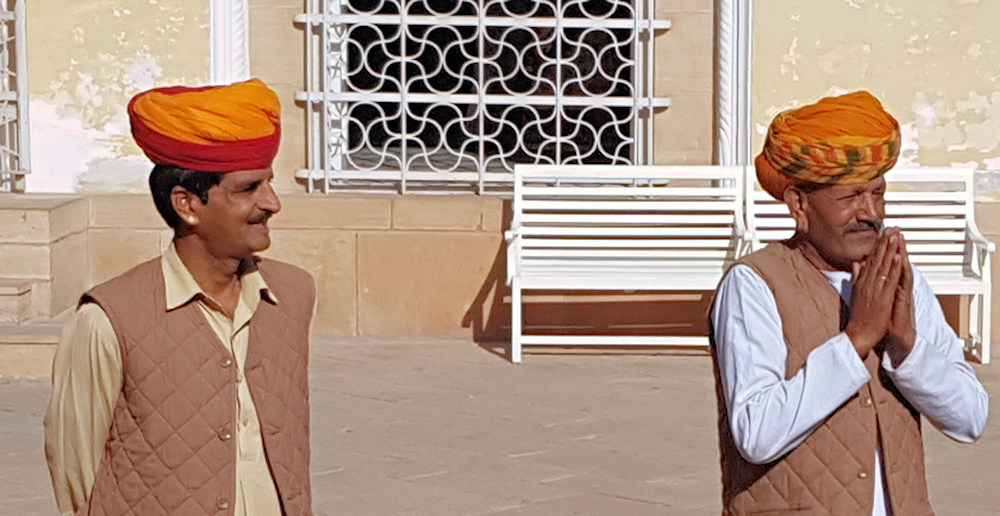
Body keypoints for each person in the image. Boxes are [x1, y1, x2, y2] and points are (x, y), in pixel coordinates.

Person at [43, 78, 315, 515]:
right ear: (187, 205)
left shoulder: (293, 295)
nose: (272, 203)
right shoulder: (107, 319)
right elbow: (76, 472)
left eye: (269, 183)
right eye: (249, 189)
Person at [710, 91, 989, 515]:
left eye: (878, 194)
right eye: (851, 198)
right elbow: (757, 432)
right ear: (800, 205)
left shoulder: (901, 281)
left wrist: (906, 346)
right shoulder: (754, 285)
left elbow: (970, 418)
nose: (870, 213)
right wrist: (856, 339)